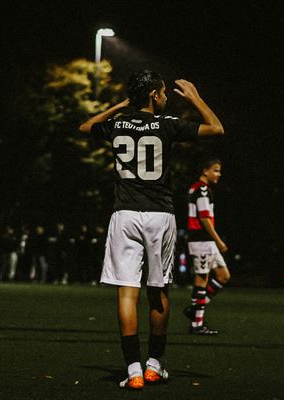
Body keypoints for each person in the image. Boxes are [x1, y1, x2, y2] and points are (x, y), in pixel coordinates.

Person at [79, 70, 224, 390]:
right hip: (159, 214)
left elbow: (85, 127)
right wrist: (196, 99)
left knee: (126, 292)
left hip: (125, 214)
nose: (166, 97)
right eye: (162, 92)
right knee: (158, 290)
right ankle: (154, 366)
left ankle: (133, 370)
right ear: (153, 96)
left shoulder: (119, 124)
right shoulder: (166, 124)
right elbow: (216, 128)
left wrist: (121, 106)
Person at [183, 159, 230, 335]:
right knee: (201, 279)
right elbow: (204, 218)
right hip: (201, 240)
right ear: (205, 171)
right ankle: (197, 324)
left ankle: (195, 310)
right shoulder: (202, 190)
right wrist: (219, 241)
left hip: (205, 241)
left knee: (223, 276)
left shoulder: (197, 188)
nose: (219, 174)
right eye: (216, 170)